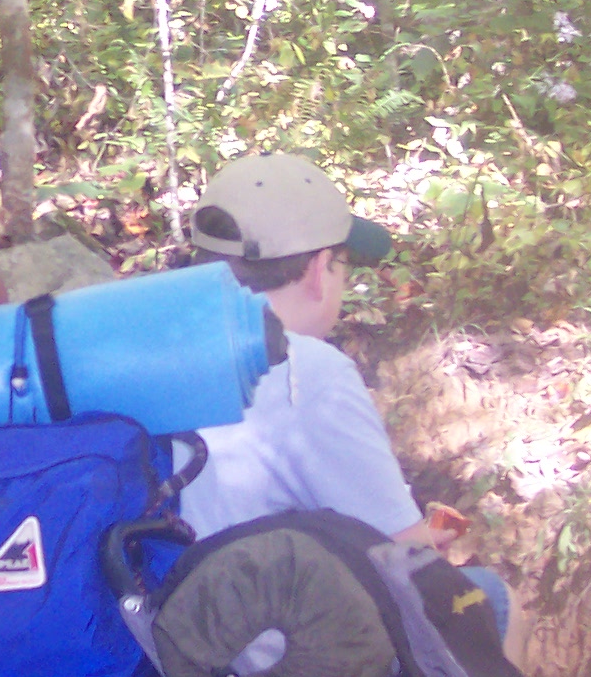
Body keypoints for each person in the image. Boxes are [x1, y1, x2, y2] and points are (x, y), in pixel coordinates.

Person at [178, 152, 452, 555]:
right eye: (344, 265)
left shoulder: (159, 341)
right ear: (320, 271)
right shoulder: (308, 372)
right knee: (491, 590)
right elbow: (398, 552)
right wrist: (436, 535)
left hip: (146, 584)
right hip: (226, 596)